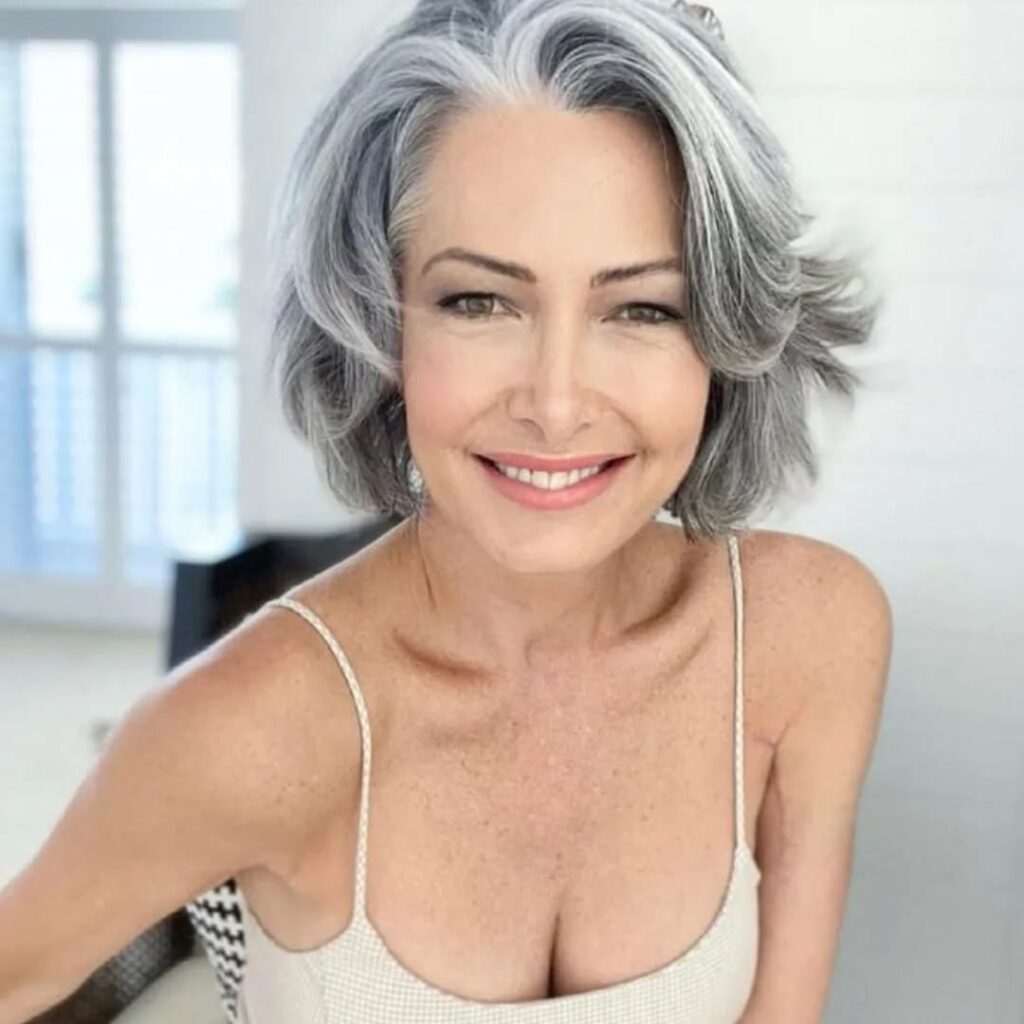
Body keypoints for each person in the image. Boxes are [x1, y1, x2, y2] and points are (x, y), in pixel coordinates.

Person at [0, 1, 893, 1022]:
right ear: (379, 321)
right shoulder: (249, 725)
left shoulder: (807, 636)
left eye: (643, 308)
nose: (556, 403)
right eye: (479, 301)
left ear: (725, 338)